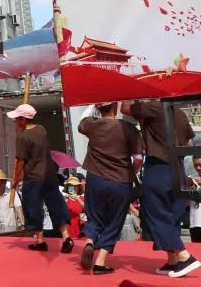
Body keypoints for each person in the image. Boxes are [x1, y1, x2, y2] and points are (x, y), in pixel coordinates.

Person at [122, 99, 199, 278]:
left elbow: (126, 109)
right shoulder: (179, 112)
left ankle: (184, 256)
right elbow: (187, 140)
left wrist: (128, 95)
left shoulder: (154, 107)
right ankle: (173, 261)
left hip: (159, 166)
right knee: (172, 214)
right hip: (178, 167)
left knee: (155, 213)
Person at [77, 102, 141, 274]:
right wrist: (131, 172)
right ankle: (100, 261)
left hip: (96, 178)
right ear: (115, 106)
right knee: (115, 220)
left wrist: (92, 105)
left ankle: (90, 242)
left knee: (94, 215)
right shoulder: (128, 128)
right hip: (120, 180)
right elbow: (138, 159)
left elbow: (81, 121)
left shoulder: (92, 125)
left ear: (99, 109)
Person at [10, 103, 73, 253]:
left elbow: (20, 161)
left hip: (34, 177)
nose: (16, 122)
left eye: (17, 119)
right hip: (50, 175)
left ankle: (40, 239)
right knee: (56, 204)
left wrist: (15, 179)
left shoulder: (23, 136)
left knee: (32, 207)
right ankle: (66, 237)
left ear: (23, 119)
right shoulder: (41, 130)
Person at [64, 176, 85, 240]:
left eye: (75, 186)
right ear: (68, 188)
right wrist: (64, 201)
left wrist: (78, 199)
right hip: (67, 232)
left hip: (81, 232)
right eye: (70, 186)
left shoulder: (83, 199)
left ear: (79, 187)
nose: (73, 188)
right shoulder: (64, 199)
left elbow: (89, 210)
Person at [190, 155, 201, 244]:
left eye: (200, 165)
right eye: (195, 165)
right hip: (194, 223)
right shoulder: (191, 180)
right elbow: (186, 203)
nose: (198, 168)